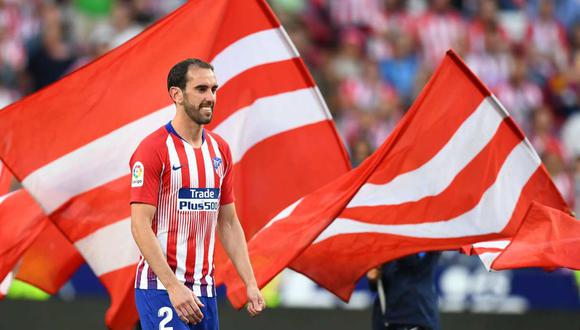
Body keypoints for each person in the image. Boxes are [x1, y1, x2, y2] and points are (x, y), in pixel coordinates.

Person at [130, 58, 265, 330]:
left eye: (214, 89)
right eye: (201, 89)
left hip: (205, 292)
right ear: (176, 94)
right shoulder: (153, 149)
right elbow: (139, 224)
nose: (211, 97)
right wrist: (173, 287)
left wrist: (250, 281)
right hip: (161, 289)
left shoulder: (220, 151)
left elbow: (227, 222)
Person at [367, 252, 441, 330]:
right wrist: (374, 277)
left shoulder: (427, 245)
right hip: (386, 318)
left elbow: (415, 267)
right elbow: (379, 283)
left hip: (416, 316)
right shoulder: (386, 248)